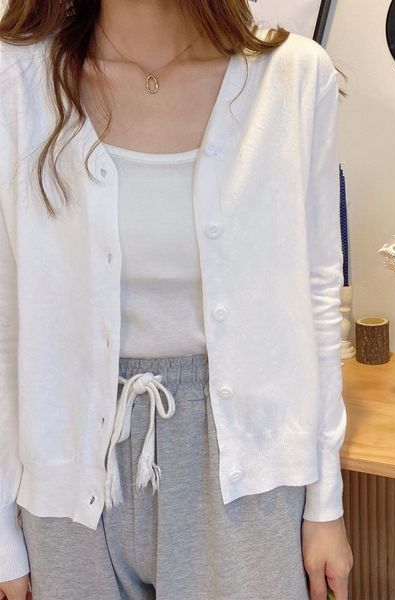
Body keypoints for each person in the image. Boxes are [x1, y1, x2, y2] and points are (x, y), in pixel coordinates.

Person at [0, 0, 354, 599]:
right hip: (65, 466)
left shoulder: (293, 77)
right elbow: (7, 319)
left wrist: (326, 504)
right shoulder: (17, 81)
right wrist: (3, 538)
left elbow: (318, 293)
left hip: (246, 465)